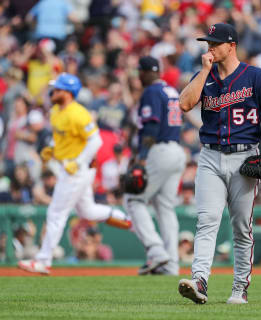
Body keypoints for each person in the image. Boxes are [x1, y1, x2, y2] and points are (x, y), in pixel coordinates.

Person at [177, 23, 261, 304]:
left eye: (215, 42)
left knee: (241, 228)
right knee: (207, 221)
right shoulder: (206, 75)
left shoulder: (255, 76)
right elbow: (185, 104)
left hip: (244, 157)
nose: (210, 47)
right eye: (207, 42)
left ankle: (239, 288)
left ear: (231, 45)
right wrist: (203, 71)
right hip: (210, 156)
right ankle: (199, 280)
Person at [18, 73, 131, 274]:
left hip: (77, 170)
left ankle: (43, 260)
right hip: (69, 167)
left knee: (56, 213)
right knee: (86, 210)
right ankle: (126, 219)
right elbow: (62, 138)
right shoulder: (55, 111)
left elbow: (95, 141)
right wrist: (52, 148)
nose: (54, 92)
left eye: (58, 89)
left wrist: (77, 162)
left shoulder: (79, 113)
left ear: (68, 93)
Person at [123, 56, 186, 276]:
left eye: (140, 72)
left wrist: (140, 159)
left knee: (133, 199)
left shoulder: (151, 92)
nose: (138, 76)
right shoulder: (170, 90)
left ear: (146, 72)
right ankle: (171, 265)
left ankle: (156, 251)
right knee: (164, 207)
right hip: (176, 150)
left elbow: (151, 127)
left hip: (159, 150)